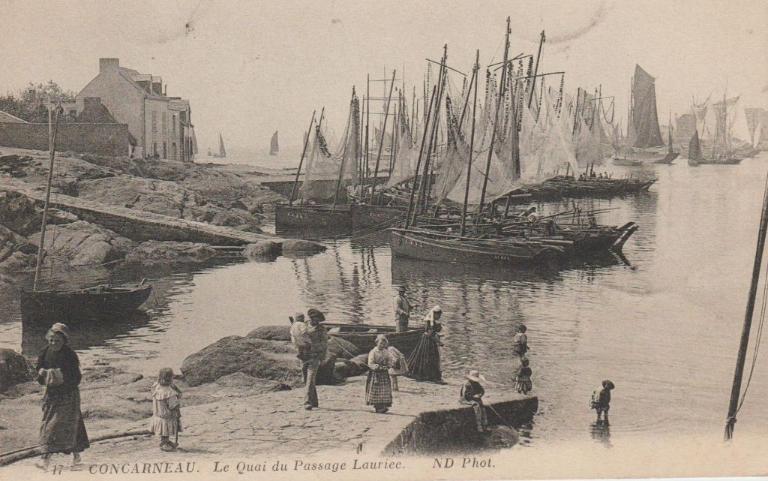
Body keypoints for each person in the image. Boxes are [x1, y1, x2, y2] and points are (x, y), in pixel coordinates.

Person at [35, 323, 89, 469]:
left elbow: (76, 378)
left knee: (57, 425)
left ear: (64, 341)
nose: (53, 343)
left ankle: (45, 459)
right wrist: (43, 375)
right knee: (63, 423)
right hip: (51, 394)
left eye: (57, 341)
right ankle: (76, 457)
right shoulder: (44, 352)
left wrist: (61, 379)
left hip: (68, 395)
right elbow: (38, 372)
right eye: (51, 340)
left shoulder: (70, 355)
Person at [407, 305, 443, 382]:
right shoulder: (429, 321)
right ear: (435, 314)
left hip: (429, 340)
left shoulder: (431, 320)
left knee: (430, 358)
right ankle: (429, 376)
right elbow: (430, 334)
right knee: (430, 358)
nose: (439, 317)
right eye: (439, 315)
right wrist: (439, 342)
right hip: (428, 342)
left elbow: (432, 332)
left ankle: (429, 376)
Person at [150, 368, 182, 452]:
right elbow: (172, 405)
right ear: (171, 378)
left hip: (158, 412)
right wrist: (177, 407)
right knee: (165, 429)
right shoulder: (169, 392)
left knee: (163, 429)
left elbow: (153, 390)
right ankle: (164, 443)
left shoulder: (156, 386)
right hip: (167, 414)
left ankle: (165, 441)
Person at [302, 308, 328, 410]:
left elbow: (324, 343)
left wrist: (322, 357)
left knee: (310, 378)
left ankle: (307, 402)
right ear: (311, 318)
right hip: (303, 356)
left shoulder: (322, 329)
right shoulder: (304, 325)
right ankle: (314, 401)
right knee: (307, 379)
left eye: (318, 319)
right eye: (314, 319)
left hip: (315, 356)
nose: (316, 321)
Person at [366, 335, 394, 413]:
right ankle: (378, 407)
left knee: (384, 390)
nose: (382, 345)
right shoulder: (373, 352)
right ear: (377, 343)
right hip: (376, 373)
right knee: (376, 390)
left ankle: (383, 406)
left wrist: (388, 365)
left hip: (384, 373)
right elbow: (370, 363)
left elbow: (391, 360)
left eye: (384, 344)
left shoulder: (386, 352)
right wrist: (376, 366)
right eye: (380, 343)